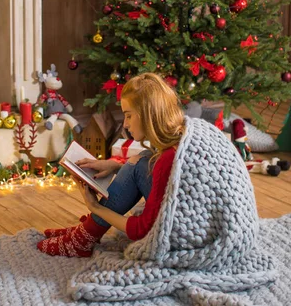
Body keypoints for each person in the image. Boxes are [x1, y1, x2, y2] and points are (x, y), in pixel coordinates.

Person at [37, 73, 185, 257]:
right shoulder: (180, 137)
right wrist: (115, 166)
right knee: (143, 158)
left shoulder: (169, 158)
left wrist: (96, 207)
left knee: (140, 162)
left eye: (129, 116)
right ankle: (86, 232)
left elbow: (143, 230)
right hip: (188, 219)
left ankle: (83, 238)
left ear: (148, 114)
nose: (125, 124)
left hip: (181, 236)